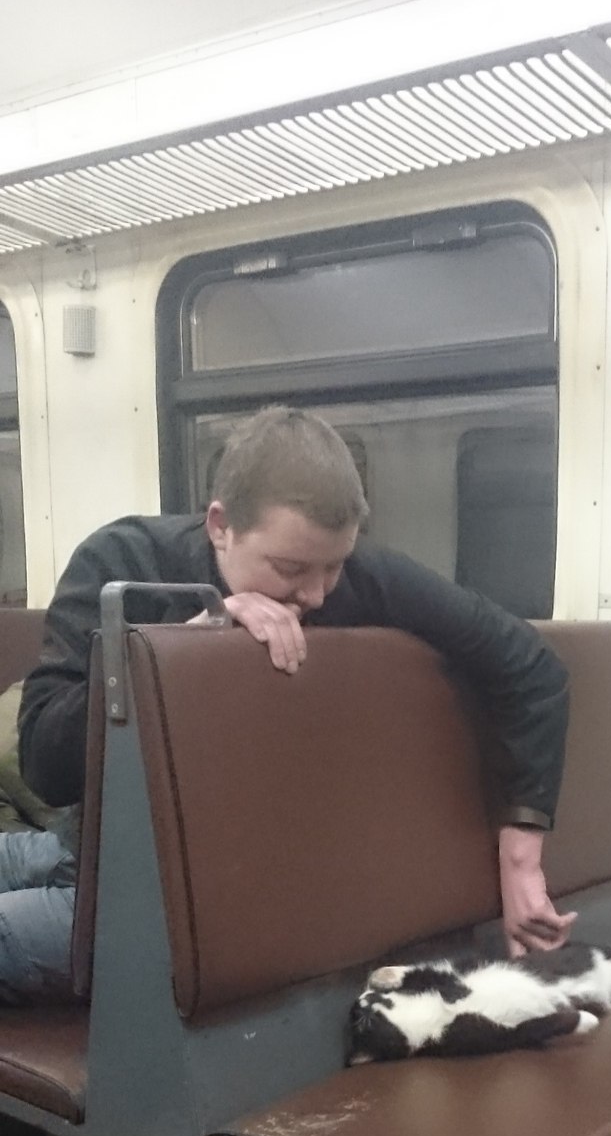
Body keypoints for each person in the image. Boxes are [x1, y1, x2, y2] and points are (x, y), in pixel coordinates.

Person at [13, 405, 576, 1004]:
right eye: (290, 569)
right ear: (220, 525)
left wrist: (520, 857)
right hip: (85, 841)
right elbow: (44, 765)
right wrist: (188, 645)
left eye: (334, 566)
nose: (315, 593)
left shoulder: (364, 580)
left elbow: (530, 667)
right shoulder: (122, 560)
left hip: (165, 906)